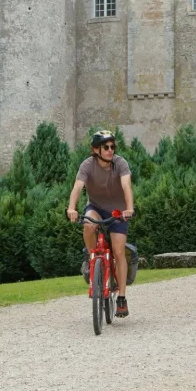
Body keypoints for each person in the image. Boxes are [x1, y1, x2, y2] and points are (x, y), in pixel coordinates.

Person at [67, 130, 135, 317]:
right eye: (106, 147)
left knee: (119, 251)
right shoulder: (87, 165)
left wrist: (129, 208)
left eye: (113, 146)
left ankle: (121, 298)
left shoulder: (120, 163)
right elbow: (77, 187)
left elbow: (126, 186)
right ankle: (91, 259)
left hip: (118, 210)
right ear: (95, 149)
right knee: (89, 225)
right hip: (96, 206)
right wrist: (71, 208)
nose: (110, 150)